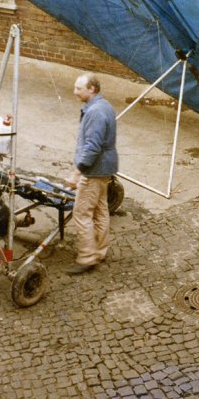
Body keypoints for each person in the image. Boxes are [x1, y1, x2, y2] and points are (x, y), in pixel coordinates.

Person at [65, 72, 118, 275]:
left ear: (92, 89)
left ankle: (87, 256)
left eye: (79, 88)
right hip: (105, 169)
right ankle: (100, 250)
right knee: (100, 210)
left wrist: (77, 172)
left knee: (82, 212)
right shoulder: (105, 106)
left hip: (94, 170)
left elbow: (92, 147)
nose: (75, 91)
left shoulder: (95, 112)